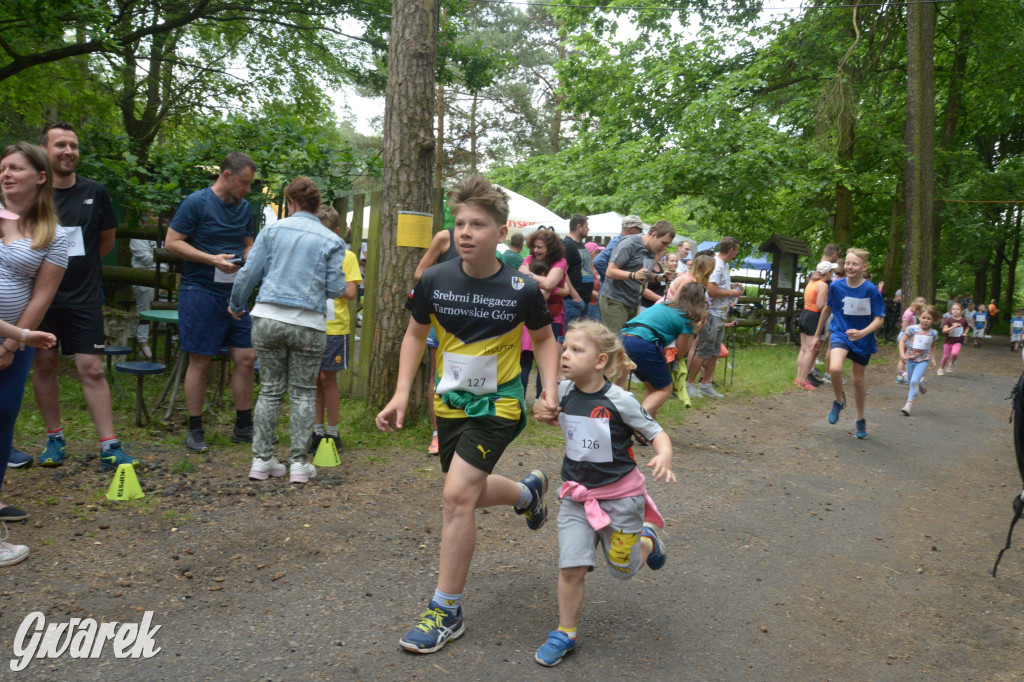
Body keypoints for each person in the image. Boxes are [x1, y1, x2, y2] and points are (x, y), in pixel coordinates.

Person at [375, 175, 560, 655]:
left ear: (500, 233)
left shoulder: (520, 287)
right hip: (449, 403)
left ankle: (446, 609)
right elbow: (416, 335)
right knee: (470, 495)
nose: (465, 231)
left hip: (498, 405)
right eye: (459, 223)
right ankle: (525, 493)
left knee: (456, 496)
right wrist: (400, 394)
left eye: (478, 224)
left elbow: (543, 339)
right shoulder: (434, 279)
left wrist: (549, 390)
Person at [530, 319, 675, 667]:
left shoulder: (619, 400)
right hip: (577, 497)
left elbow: (655, 432)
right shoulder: (563, 391)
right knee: (571, 566)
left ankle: (648, 540)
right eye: (564, 349)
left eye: (576, 350)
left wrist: (664, 454)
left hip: (621, 500)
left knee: (622, 571)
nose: (565, 355)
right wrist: (540, 410)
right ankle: (566, 632)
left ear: (599, 362)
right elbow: (539, 409)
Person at [30, 123, 136, 470]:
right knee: (45, 364)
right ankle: (54, 438)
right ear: (44, 150)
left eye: (73, 146)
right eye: (60, 145)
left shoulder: (96, 192)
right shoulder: (31, 194)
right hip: (39, 299)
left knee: (91, 368)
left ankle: (109, 444)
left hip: (84, 296)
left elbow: (104, 243)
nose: (68, 152)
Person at [229, 177, 346, 484]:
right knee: (304, 392)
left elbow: (248, 272)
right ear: (316, 205)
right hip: (308, 323)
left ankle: (261, 460)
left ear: (291, 203)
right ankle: (298, 464)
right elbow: (336, 287)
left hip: (267, 318)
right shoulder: (332, 240)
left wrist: (236, 303)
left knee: (270, 390)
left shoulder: (272, 231)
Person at [0, 142, 69, 565]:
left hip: (15, 346)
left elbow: (42, 296)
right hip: (14, 335)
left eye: (16, 169)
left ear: (40, 177)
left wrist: (12, 344)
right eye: (2, 168)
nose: (6, 174)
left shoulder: (54, 237)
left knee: (2, 420)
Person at [165, 152, 258, 453]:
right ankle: (195, 429)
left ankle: (244, 426)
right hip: (200, 291)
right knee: (200, 360)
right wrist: (211, 260)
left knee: (245, 357)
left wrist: (247, 259)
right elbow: (172, 241)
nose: (247, 189)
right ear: (227, 176)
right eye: (244, 183)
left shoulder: (246, 209)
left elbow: (248, 242)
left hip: (235, 294)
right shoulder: (196, 203)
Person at [812, 248, 885, 440]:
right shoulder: (836, 286)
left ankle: (860, 419)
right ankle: (839, 401)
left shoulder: (870, 290)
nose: (850, 267)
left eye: (855, 264)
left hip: (862, 337)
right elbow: (828, 309)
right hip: (840, 333)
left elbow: (879, 319)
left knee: (857, 381)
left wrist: (862, 332)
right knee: (835, 369)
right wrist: (817, 334)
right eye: (848, 263)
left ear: (864, 267)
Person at [310, 205, 361, 455]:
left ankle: (332, 432)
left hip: (335, 327)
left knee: (327, 378)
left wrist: (327, 283)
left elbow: (351, 293)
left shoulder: (347, 257)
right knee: (314, 379)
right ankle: (316, 431)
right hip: (311, 324)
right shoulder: (308, 254)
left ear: (337, 232)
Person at [620, 282, 707, 418]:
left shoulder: (663, 305)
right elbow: (680, 353)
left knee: (652, 387)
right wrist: (695, 332)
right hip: (643, 343)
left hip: (623, 338)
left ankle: (647, 430)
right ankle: (636, 419)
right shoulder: (686, 318)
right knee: (665, 389)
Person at [415, 219, 463, 456]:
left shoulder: (487, 237)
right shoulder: (445, 237)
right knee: (439, 372)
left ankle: (463, 431)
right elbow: (420, 273)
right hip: (442, 318)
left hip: (474, 319)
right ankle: (437, 434)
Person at [686, 237, 743, 400]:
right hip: (711, 314)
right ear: (731, 250)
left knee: (714, 352)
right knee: (703, 350)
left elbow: (718, 286)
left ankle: (706, 385)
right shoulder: (717, 264)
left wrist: (731, 287)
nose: (737, 253)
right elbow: (711, 290)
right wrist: (731, 293)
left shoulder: (725, 265)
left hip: (720, 315)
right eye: (736, 250)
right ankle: (690, 383)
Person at [598, 220, 676, 337]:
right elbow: (610, 271)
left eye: (667, 245)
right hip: (615, 300)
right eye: (663, 243)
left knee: (629, 341)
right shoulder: (630, 243)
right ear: (654, 234)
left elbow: (643, 275)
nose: (664, 248)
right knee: (616, 342)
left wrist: (660, 278)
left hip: (633, 302)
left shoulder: (652, 250)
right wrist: (633, 275)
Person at [795, 262, 834, 390]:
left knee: (803, 349)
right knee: (810, 350)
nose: (832, 274)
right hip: (813, 316)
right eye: (831, 272)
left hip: (804, 314)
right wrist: (831, 305)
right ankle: (803, 380)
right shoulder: (822, 285)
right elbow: (820, 305)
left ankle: (798, 378)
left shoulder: (811, 282)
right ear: (827, 273)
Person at [899, 305, 939, 416]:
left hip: (923, 360)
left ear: (933, 320)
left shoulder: (933, 333)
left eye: (929, 318)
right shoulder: (912, 329)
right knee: (912, 381)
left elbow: (933, 346)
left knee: (913, 382)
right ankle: (921, 384)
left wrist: (933, 359)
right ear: (919, 317)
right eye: (924, 317)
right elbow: (902, 341)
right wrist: (902, 354)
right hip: (910, 359)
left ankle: (908, 405)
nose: (925, 321)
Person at [592, 214, 644, 281]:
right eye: (640, 230)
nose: (641, 232)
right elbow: (598, 261)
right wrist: (610, 280)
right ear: (632, 229)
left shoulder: (627, 243)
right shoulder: (617, 243)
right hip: (612, 290)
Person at [562, 214, 592, 328]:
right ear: (579, 227)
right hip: (573, 301)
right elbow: (563, 272)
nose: (588, 229)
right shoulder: (568, 244)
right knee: (566, 337)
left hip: (583, 300)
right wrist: (574, 295)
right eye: (586, 226)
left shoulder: (580, 244)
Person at [130, 236, 157, 359]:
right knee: (145, 311)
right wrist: (161, 256)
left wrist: (155, 255)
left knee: (171, 308)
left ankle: (174, 341)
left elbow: (172, 254)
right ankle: (143, 343)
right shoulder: (137, 237)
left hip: (165, 275)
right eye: (152, 214)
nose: (155, 218)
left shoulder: (165, 235)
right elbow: (146, 259)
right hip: (144, 276)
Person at [895, 297, 926, 384]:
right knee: (910, 357)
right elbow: (905, 327)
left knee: (904, 357)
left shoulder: (913, 312)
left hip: (908, 336)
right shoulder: (908, 313)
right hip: (905, 337)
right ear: (913, 305)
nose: (917, 311)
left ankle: (900, 376)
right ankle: (909, 376)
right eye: (917, 309)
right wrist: (911, 337)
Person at [938, 303, 968, 375]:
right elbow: (944, 331)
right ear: (951, 311)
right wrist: (952, 327)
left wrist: (965, 333)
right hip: (948, 341)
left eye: (957, 309)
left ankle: (952, 363)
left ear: (961, 311)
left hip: (958, 341)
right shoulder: (949, 320)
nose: (955, 311)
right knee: (946, 356)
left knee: (955, 353)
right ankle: (941, 368)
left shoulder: (963, 320)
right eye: (954, 309)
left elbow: (967, 327)